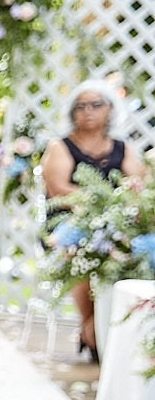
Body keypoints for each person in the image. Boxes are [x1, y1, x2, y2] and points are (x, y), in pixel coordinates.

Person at [40, 79, 146, 360]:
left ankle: (97, 331)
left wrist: (113, 208)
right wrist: (98, 203)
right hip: (66, 229)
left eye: (95, 105)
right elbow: (58, 189)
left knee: (133, 255)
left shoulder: (123, 149)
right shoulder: (60, 147)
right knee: (83, 254)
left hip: (114, 227)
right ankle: (93, 328)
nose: (87, 111)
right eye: (80, 106)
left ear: (110, 110)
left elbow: (137, 184)